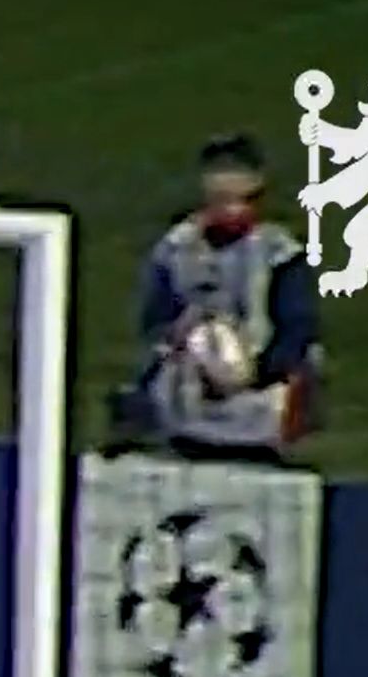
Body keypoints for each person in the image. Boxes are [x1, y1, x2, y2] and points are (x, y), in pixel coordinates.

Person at [121, 134, 321, 463]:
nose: (225, 182)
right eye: (218, 173)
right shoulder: (176, 247)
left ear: (255, 185)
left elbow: (297, 325)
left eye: (236, 173)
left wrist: (259, 372)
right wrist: (180, 345)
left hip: (262, 398)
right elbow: (155, 320)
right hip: (189, 395)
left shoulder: (278, 251)